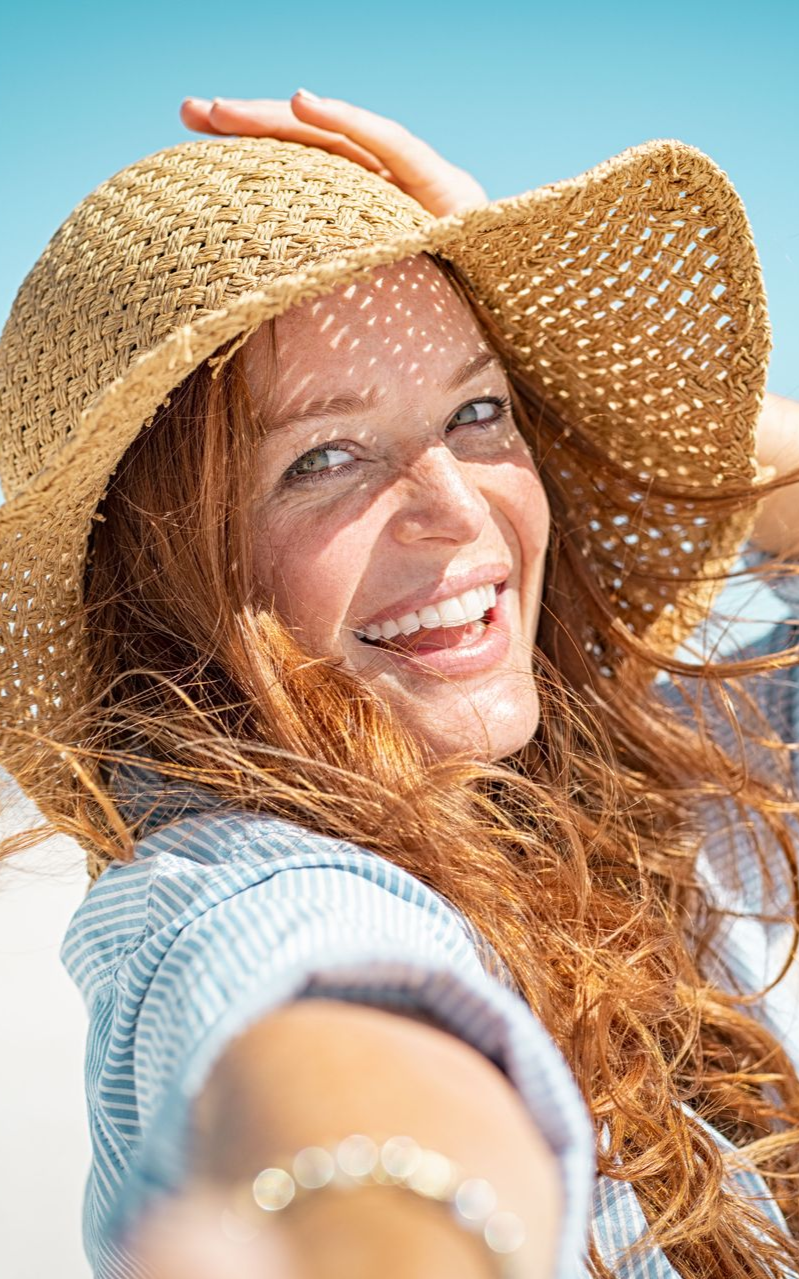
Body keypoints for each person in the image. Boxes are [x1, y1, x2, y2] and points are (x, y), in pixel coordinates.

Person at [2, 91, 799, 1279]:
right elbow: (325, 1022)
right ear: (170, 562)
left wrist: (539, 341)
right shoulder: (230, 877)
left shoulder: (633, 775)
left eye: (481, 412)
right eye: (322, 457)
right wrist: (382, 1216)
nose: (460, 509)